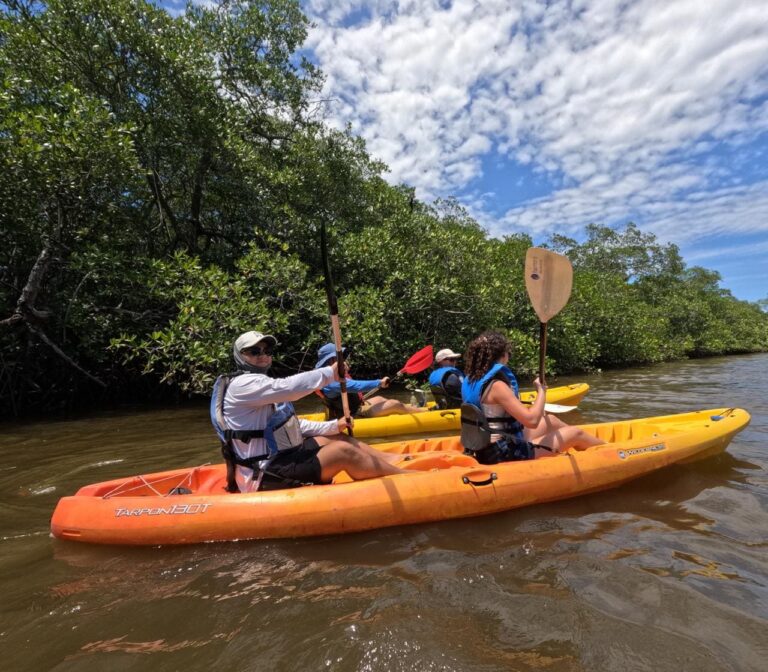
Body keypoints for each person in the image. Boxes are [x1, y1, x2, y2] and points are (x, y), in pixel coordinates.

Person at [211, 331, 409, 493]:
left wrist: (332, 425)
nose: (262, 355)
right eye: (254, 351)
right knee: (343, 452)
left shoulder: (261, 385)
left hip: (283, 457)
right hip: (265, 472)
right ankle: (406, 479)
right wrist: (330, 373)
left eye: (266, 350)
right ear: (240, 356)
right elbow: (290, 388)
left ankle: (391, 461)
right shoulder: (244, 384)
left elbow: (292, 426)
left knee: (337, 438)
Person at [460, 331, 604, 464]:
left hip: (485, 448)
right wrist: (541, 391)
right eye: (508, 353)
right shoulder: (497, 386)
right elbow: (532, 421)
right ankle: (611, 452)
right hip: (503, 453)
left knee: (551, 420)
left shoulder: (471, 380)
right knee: (575, 433)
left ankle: (587, 452)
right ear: (502, 355)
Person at [314, 343, 427, 419]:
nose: (343, 359)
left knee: (380, 399)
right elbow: (355, 386)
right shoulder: (329, 381)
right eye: (340, 357)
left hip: (353, 408)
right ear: (332, 359)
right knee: (395, 404)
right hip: (351, 416)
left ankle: (411, 410)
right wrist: (379, 382)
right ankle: (426, 414)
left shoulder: (330, 375)